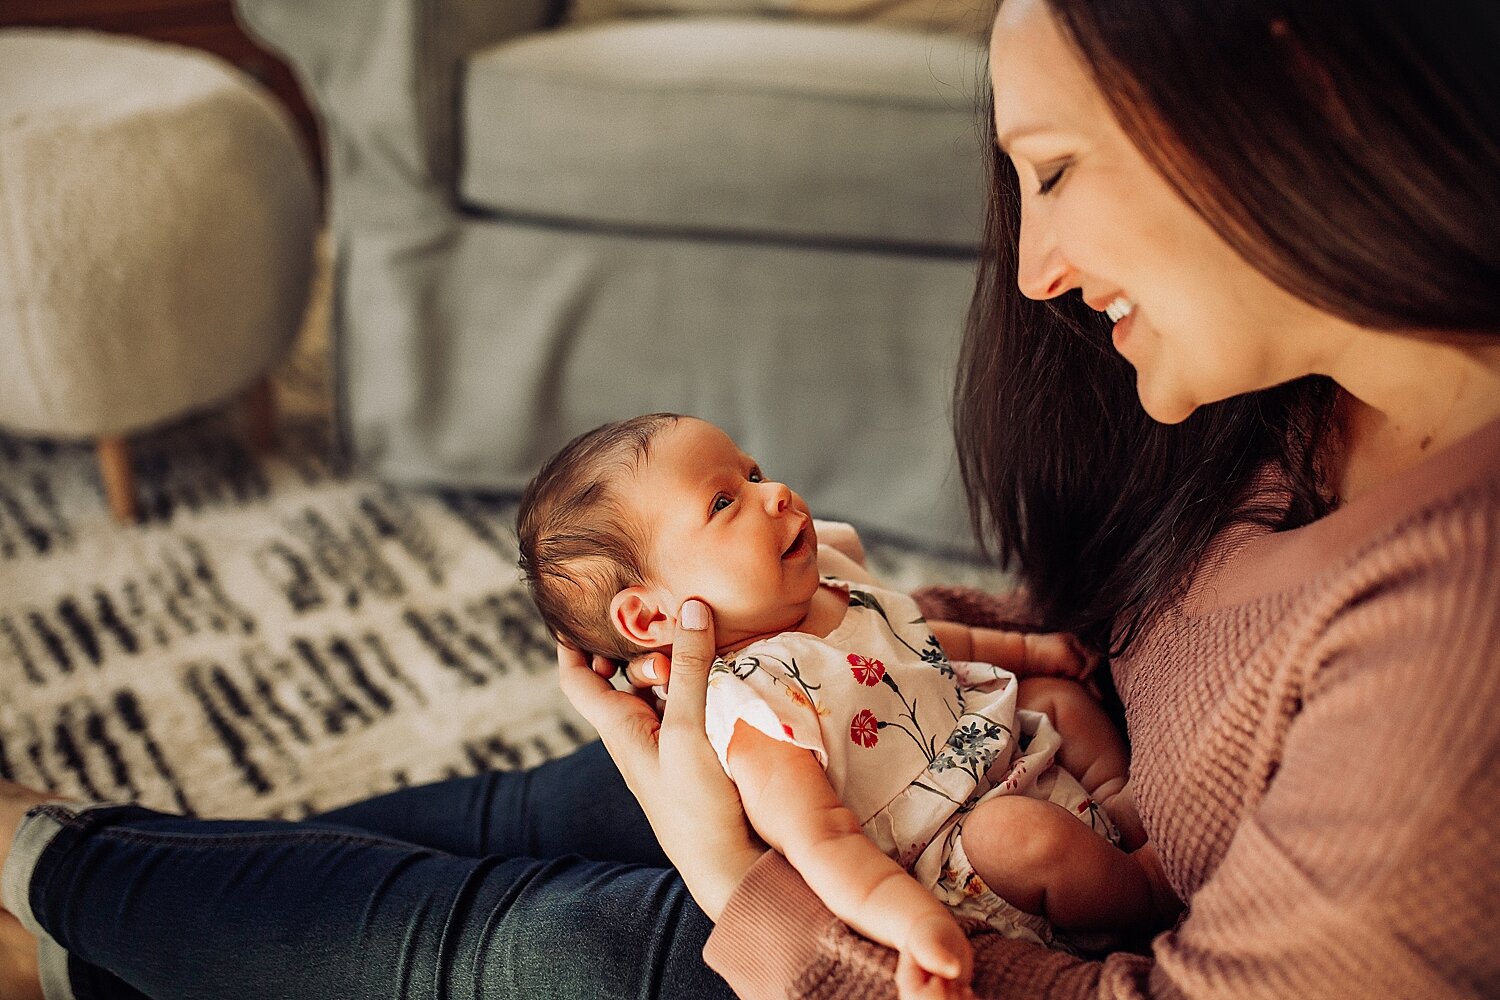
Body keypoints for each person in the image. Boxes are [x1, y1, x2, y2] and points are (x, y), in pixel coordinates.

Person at [1, 0, 1497, 996]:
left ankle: (42, 870)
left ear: (1296, 84)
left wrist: (732, 872)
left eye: (1053, 169)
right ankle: (91, 911)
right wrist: (899, 635)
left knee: (523, 937)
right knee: (543, 807)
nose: (1036, 268)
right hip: (942, 779)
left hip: (944, 944)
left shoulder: (1457, 652)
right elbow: (1140, 650)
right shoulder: (1307, 400)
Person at [515, 412, 1177, 993]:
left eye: (753, 474)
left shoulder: (827, 588)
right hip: (962, 852)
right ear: (648, 615)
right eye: (723, 503)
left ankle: (1124, 808)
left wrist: (1033, 654)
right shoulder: (752, 710)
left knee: (1055, 698)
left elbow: (922, 639)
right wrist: (914, 926)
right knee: (1014, 837)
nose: (774, 494)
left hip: (990, 745)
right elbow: (824, 839)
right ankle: (1141, 893)